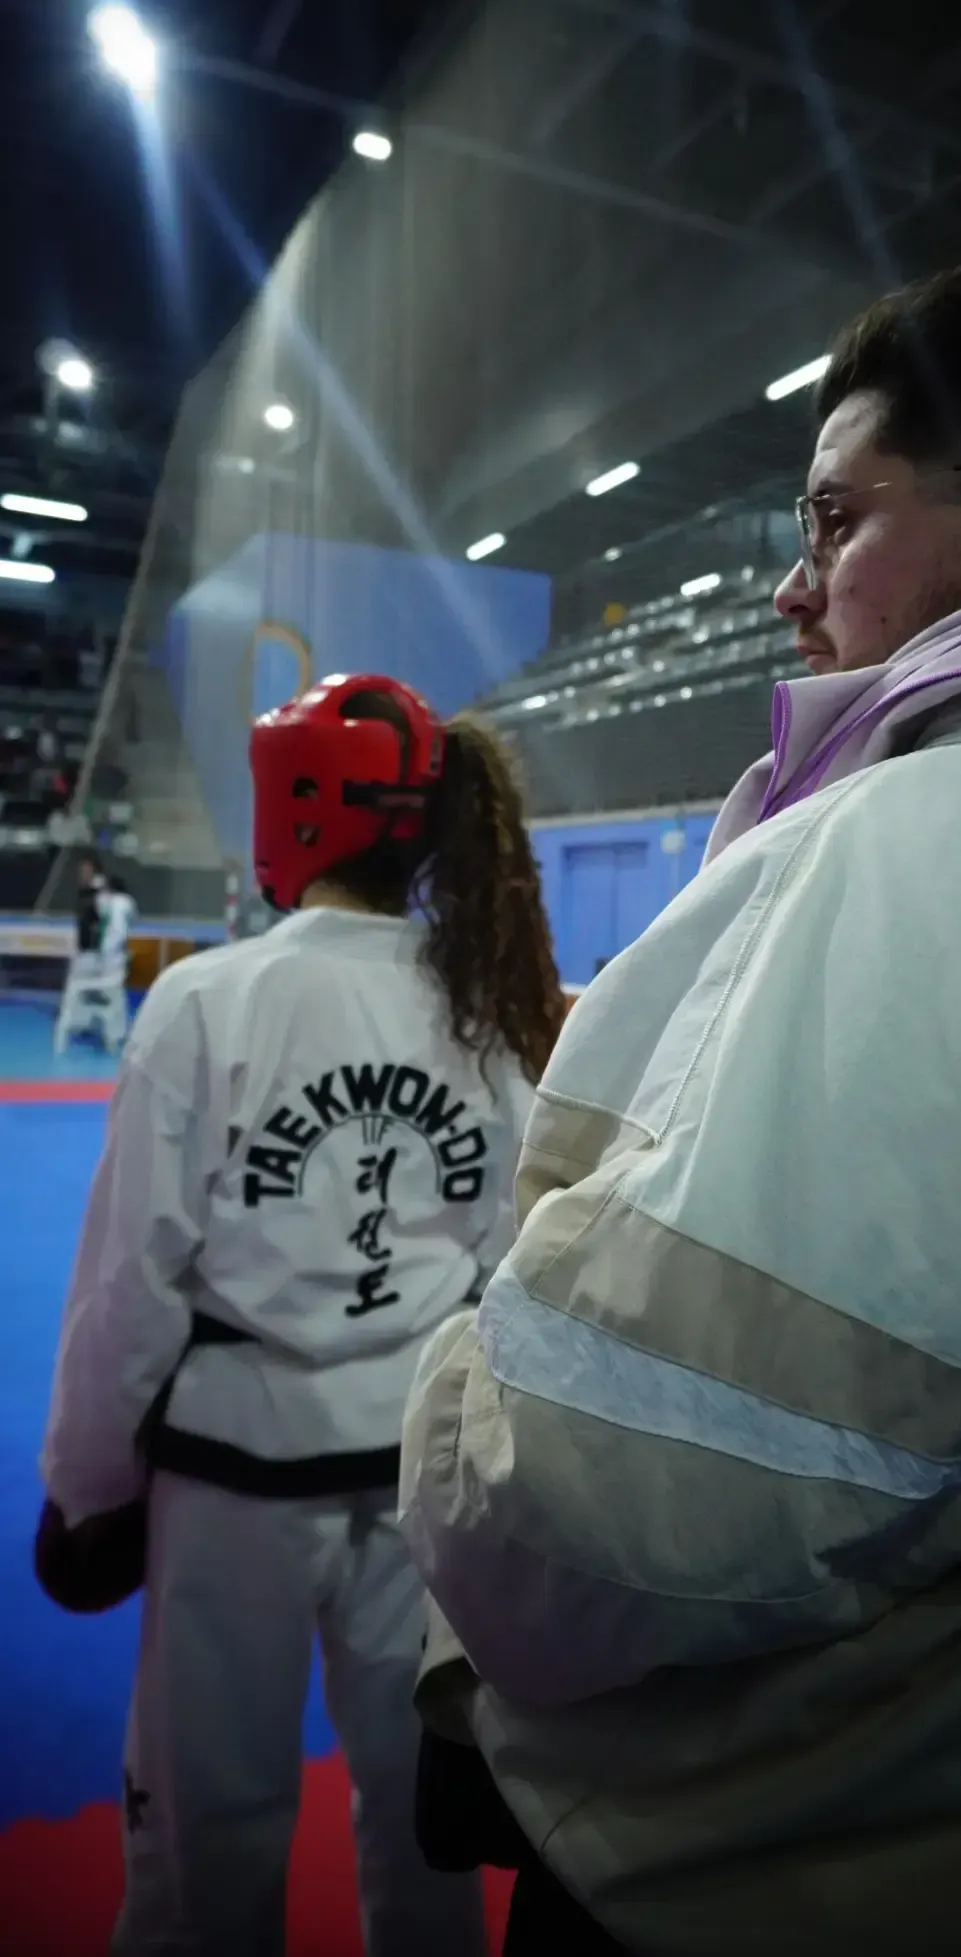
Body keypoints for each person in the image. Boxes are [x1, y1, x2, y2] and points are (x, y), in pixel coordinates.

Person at [398, 256, 961, 1957]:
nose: (789, 585)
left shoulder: (937, 847)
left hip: (767, 1869)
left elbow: (623, 1491)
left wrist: (455, 1399)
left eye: (833, 517)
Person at [40, 674, 562, 1957]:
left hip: (234, 1486)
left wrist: (87, 1483)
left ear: (295, 813)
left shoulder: (215, 1002)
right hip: (417, 1486)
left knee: (203, 1842)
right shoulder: (489, 1013)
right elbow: (509, 1264)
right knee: (421, 1837)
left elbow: (132, 1283)